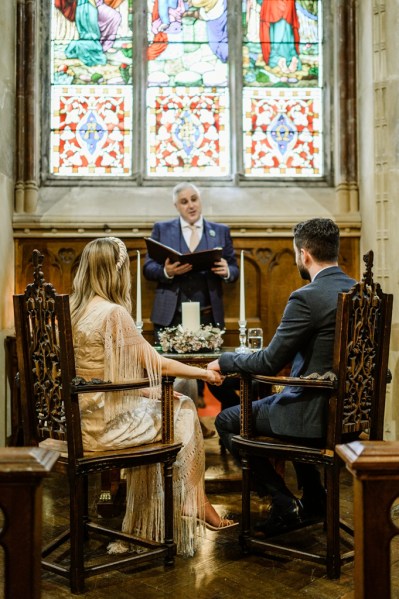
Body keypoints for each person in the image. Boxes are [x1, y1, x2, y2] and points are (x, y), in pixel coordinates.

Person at [70, 237, 237, 558]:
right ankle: (194, 501)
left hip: (80, 421)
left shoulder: (77, 311)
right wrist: (204, 374)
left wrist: (148, 391)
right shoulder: (112, 313)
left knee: (171, 402)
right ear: (115, 272)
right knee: (185, 407)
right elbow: (155, 362)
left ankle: (183, 504)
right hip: (104, 428)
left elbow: (98, 374)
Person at [207, 218, 356, 536]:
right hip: (346, 412)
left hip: (312, 414)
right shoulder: (358, 290)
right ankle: (315, 498)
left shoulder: (308, 297)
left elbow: (270, 361)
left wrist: (224, 360)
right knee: (279, 399)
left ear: (304, 254)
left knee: (227, 421)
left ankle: (284, 503)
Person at [143, 182, 241, 426]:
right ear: (176, 206)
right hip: (171, 314)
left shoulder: (219, 231)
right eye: (184, 202)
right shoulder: (162, 229)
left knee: (214, 373)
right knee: (171, 373)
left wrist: (227, 270)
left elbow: (235, 268)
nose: (190, 205)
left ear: (200, 200)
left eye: (194, 199)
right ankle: (174, 426)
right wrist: (166, 270)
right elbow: (148, 267)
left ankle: (225, 424)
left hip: (208, 314)